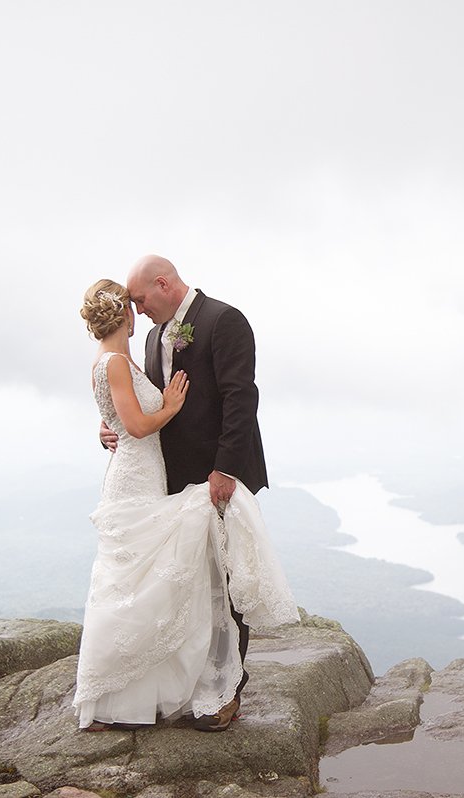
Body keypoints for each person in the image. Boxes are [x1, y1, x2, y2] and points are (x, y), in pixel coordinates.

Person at [74, 279, 298, 733]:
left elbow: (241, 397)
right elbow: (134, 409)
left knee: (227, 576)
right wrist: (109, 426)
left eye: (140, 299)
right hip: (169, 482)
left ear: (162, 284)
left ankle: (226, 694)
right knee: (184, 586)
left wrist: (226, 468)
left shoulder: (222, 320)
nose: (138, 308)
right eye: (131, 304)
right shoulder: (154, 337)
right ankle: (182, 687)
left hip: (218, 477)